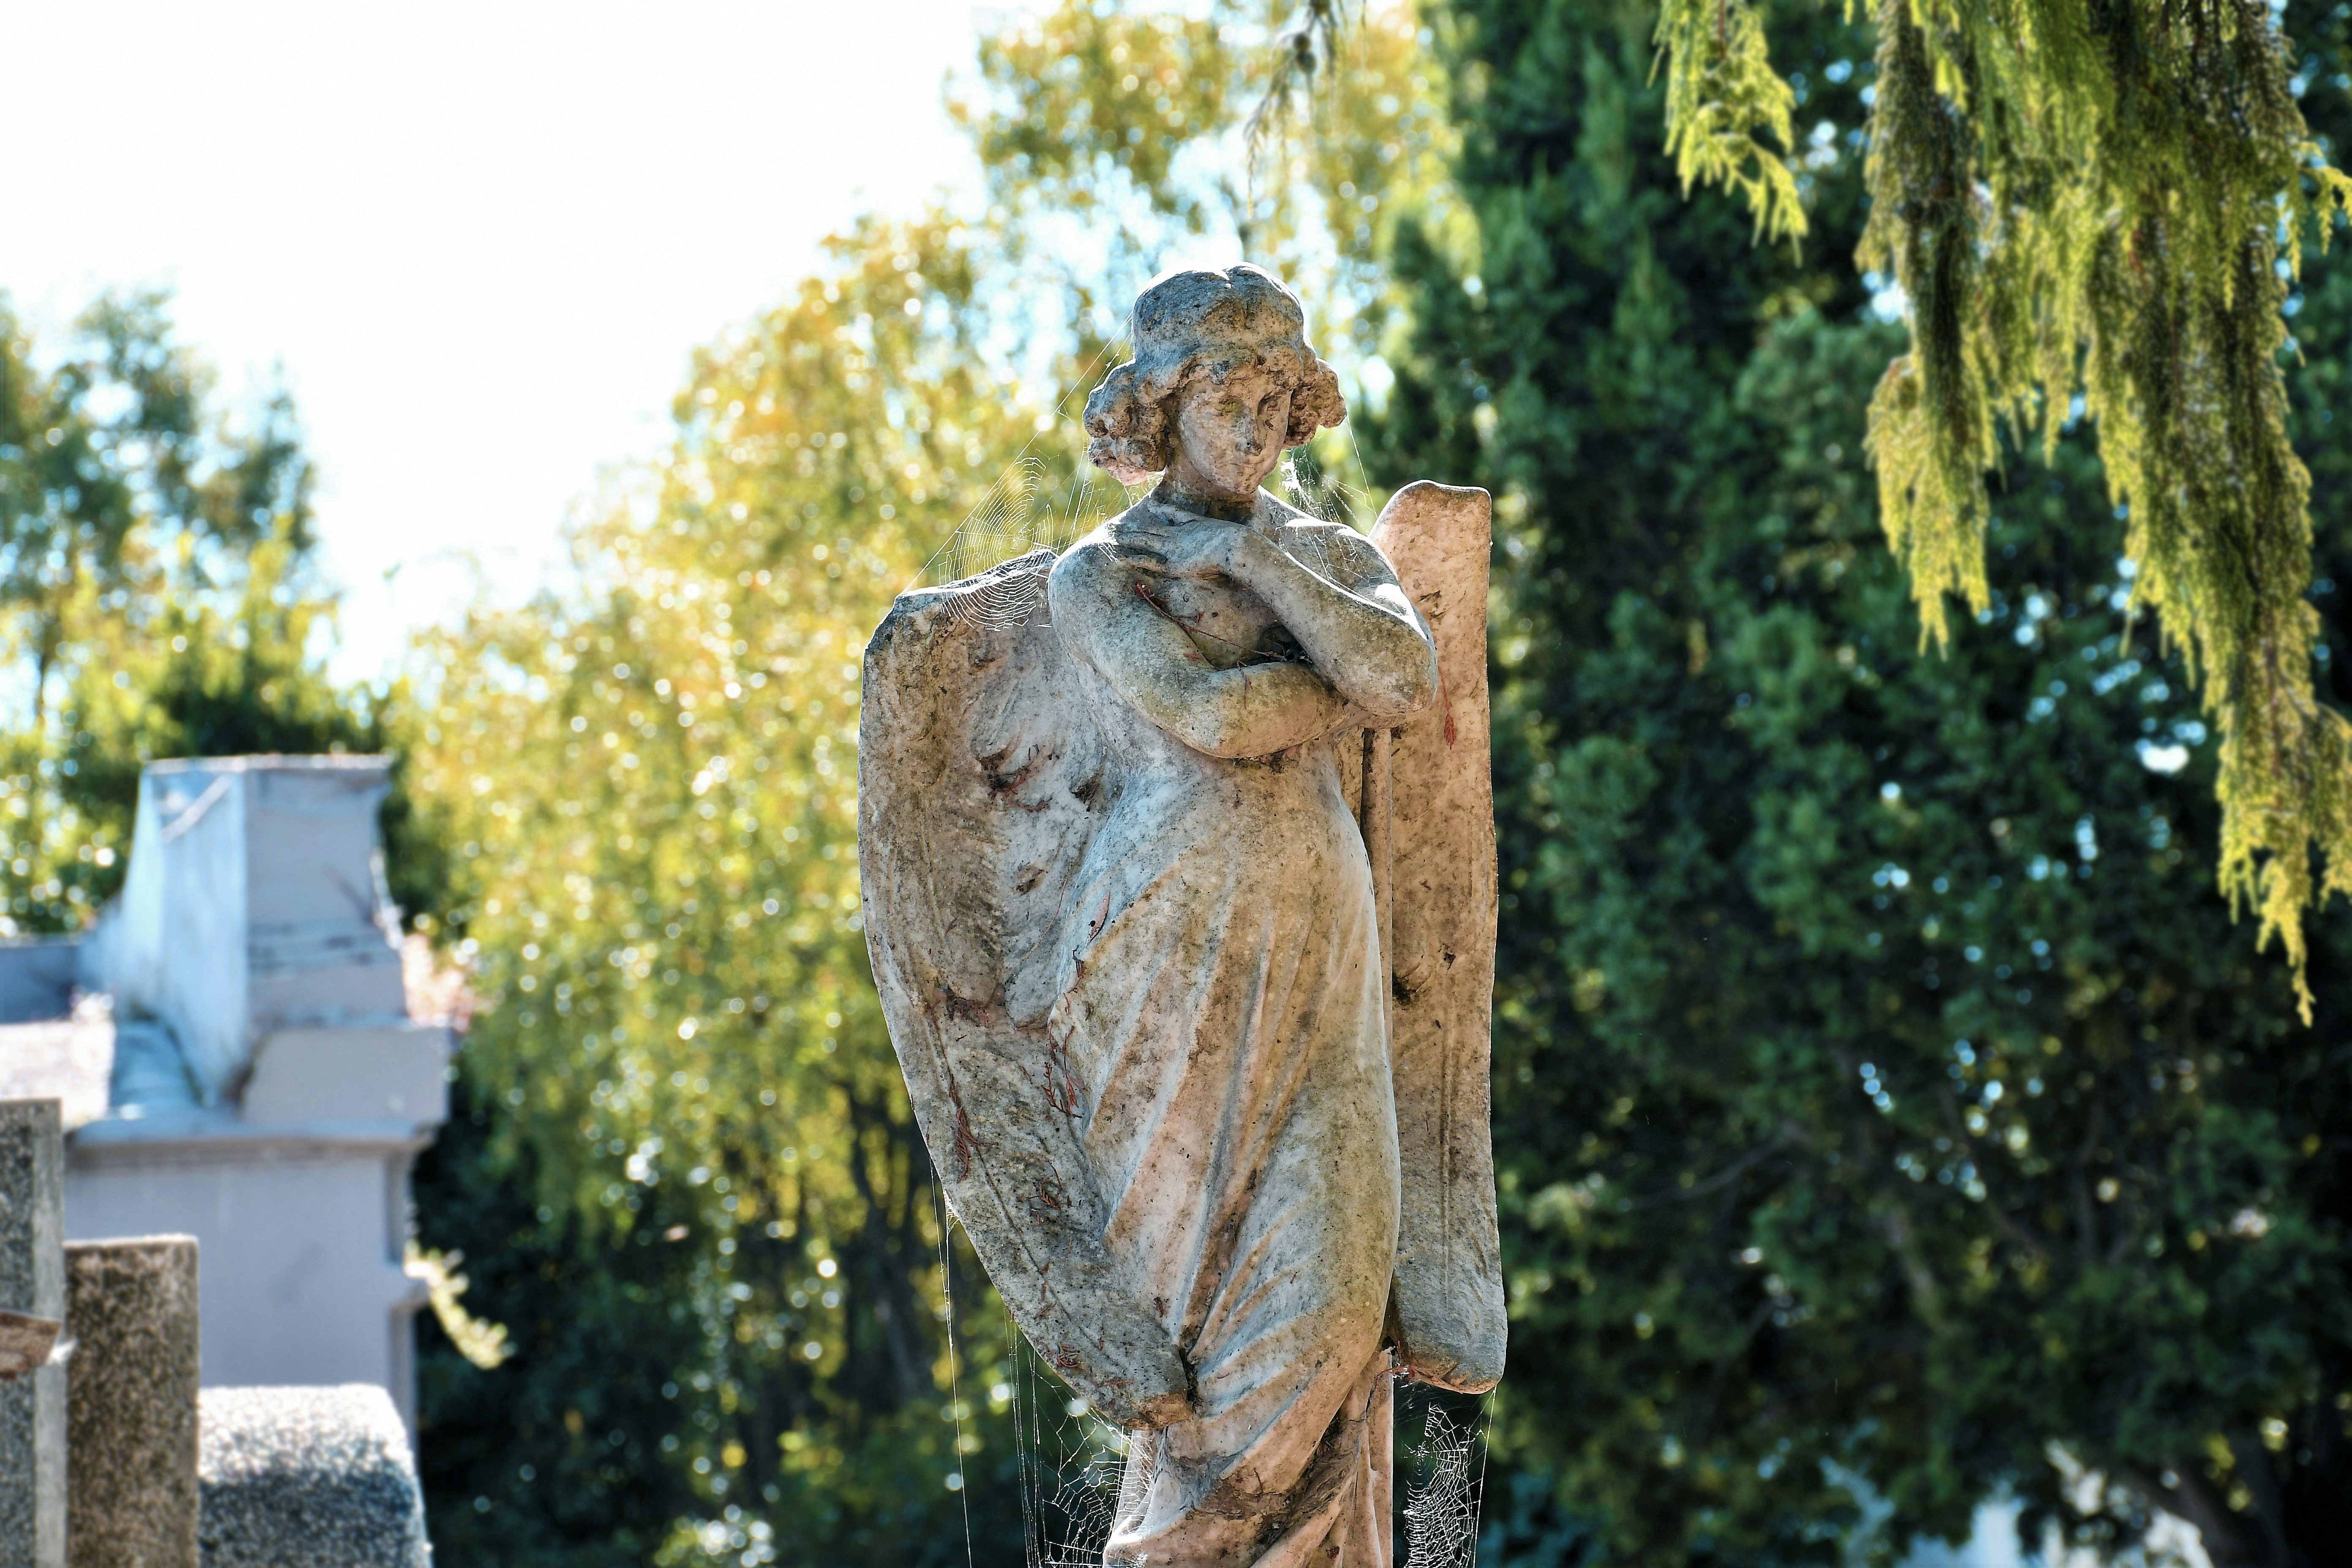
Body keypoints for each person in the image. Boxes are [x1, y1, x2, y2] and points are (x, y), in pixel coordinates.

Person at [1038, 264, 1440, 1566]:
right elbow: (1212, 716)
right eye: (1227, 398)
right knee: (1199, 1357)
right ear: (1161, 408)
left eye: (1278, 399)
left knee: (1338, 1305)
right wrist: (1332, 681)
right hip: (1164, 958)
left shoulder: (1332, 557)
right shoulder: (1102, 573)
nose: (1258, 426)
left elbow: (1407, 676)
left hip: (1321, 948)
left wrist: (1260, 558)